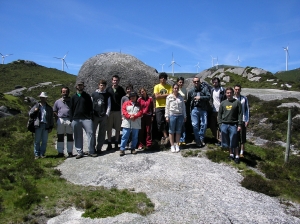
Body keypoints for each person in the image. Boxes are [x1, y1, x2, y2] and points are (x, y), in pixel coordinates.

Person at [70, 80, 96, 159]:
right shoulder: (73, 97)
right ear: (76, 86)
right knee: (78, 136)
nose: (80, 86)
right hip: (76, 119)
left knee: (91, 133)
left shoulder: (87, 96)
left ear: (83, 86)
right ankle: (79, 152)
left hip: (86, 118)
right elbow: (71, 109)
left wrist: (91, 117)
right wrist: (71, 119)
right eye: (79, 85)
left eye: (81, 85)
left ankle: (91, 151)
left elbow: (91, 107)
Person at [218, 87, 243, 164]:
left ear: (233, 93)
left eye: (230, 93)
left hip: (233, 124)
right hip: (224, 124)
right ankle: (231, 154)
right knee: (228, 140)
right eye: (227, 93)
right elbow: (219, 114)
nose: (229, 94)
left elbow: (240, 114)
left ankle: (237, 156)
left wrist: (239, 124)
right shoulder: (223, 103)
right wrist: (220, 124)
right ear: (226, 94)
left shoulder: (237, 102)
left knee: (234, 139)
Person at [187, 77, 211, 147]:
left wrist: (200, 97)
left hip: (203, 109)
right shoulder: (191, 91)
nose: (196, 83)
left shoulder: (204, 89)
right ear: (193, 82)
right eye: (195, 81)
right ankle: (197, 140)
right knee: (195, 125)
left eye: (197, 81)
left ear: (200, 82)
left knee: (204, 124)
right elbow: (189, 101)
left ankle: (201, 138)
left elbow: (209, 97)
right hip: (194, 109)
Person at [29, 92, 54, 159]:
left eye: (44, 97)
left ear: (46, 98)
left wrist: (51, 126)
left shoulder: (49, 108)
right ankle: (37, 154)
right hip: (38, 125)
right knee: (37, 140)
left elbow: (51, 117)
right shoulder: (36, 106)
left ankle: (42, 154)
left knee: (44, 141)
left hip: (46, 125)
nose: (43, 99)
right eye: (42, 97)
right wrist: (35, 111)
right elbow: (30, 114)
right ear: (40, 98)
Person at [106, 75, 126, 150]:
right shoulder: (108, 89)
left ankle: (117, 142)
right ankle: (109, 143)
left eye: (117, 80)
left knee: (118, 128)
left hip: (118, 111)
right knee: (109, 128)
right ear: (112, 81)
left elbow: (124, 100)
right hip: (110, 111)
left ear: (118, 81)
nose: (115, 82)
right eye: (114, 80)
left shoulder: (121, 89)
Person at [120, 91, 143, 156]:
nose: (132, 97)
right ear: (130, 97)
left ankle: (133, 148)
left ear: (136, 97)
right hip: (127, 121)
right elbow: (124, 110)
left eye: (134, 96)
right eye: (131, 96)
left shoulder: (139, 104)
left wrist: (135, 116)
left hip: (136, 122)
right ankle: (122, 149)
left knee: (135, 136)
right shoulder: (126, 103)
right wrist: (129, 116)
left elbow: (141, 112)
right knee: (125, 135)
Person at [91, 80, 111, 154]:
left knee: (102, 133)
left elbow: (109, 105)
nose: (102, 87)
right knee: (93, 132)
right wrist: (91, 114)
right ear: (98, 85)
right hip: (95, 116)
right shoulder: (94, 94)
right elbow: (91, 104)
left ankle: (99, 148)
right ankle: (92, 148)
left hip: (103, 116)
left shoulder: (107, 95)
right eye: (101, 85)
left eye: (103, 85)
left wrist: (107, 114)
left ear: (105, 86)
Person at [53, 87, 74, 158]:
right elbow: (54, 111)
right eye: (63, 92)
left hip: (69, 119)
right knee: (60, 136)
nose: (65, 93)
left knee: (70, 136)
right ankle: (60, 152)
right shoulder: (57, 101)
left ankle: (70, 152)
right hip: (60, 119)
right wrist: (57, 119)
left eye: (66, 92)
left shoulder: (72, 101)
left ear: (68, 92)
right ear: (61, 93)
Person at [165, 84, 186, 153]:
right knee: (171, 131)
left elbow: (183, 108)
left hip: (180, 115)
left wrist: (185, 116)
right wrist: (166, 116)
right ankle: (172, 146)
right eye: (175, 88)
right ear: (172, 89)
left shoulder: (181, 97)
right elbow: (167, 107)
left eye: (177, 88)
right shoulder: (169, 97)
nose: (176, 89)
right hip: (172, 115)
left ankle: (177, 145)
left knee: (178, 131)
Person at [153, 72, 172, 145]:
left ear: (166, 79)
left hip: (167, 106)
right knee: (159, 122)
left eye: (164, 77)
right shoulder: (156, 86)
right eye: (161, 77)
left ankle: (168, 137)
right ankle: (165, 136)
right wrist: (166, 95)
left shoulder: (169, 86)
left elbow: (170, 95)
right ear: (159, 79)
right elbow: (156, 97)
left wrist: (161, 95)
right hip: (159, 106)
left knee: (168, 122)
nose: (163, 79)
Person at [209, 77, 226, 146]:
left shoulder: (222, 90)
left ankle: (222, 141)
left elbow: (225, 100)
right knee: (212, 125)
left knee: (221, 126)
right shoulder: (212, 90)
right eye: (213, 82)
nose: (214, 83)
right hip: (213, 110)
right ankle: (218, 139)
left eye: (216, 82)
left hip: (220, 111)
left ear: (219, 82)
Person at [234, 84, 250, 158]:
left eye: (238, 89)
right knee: (234, 135)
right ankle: (234, 150)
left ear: (240, 90)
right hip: (234, 120)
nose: (237, 91)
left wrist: (247, 120)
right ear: (234, 90)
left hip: (243, 119)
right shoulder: (232, 98)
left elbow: (247, 110)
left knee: (242, 136)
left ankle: (242, 151)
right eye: (236, 89)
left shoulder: (244, 98)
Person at [177, 77, 188, 146]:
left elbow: (186, 99)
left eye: (182, 82)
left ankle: (183, 139)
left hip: (183, 108)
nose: (181, 83)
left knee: (183, 125)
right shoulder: (175, 89)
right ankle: (178, 139)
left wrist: (184, 101)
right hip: (176, 109)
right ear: (177, 82)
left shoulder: (185, 90)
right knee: (177, 126)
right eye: (179, 82)